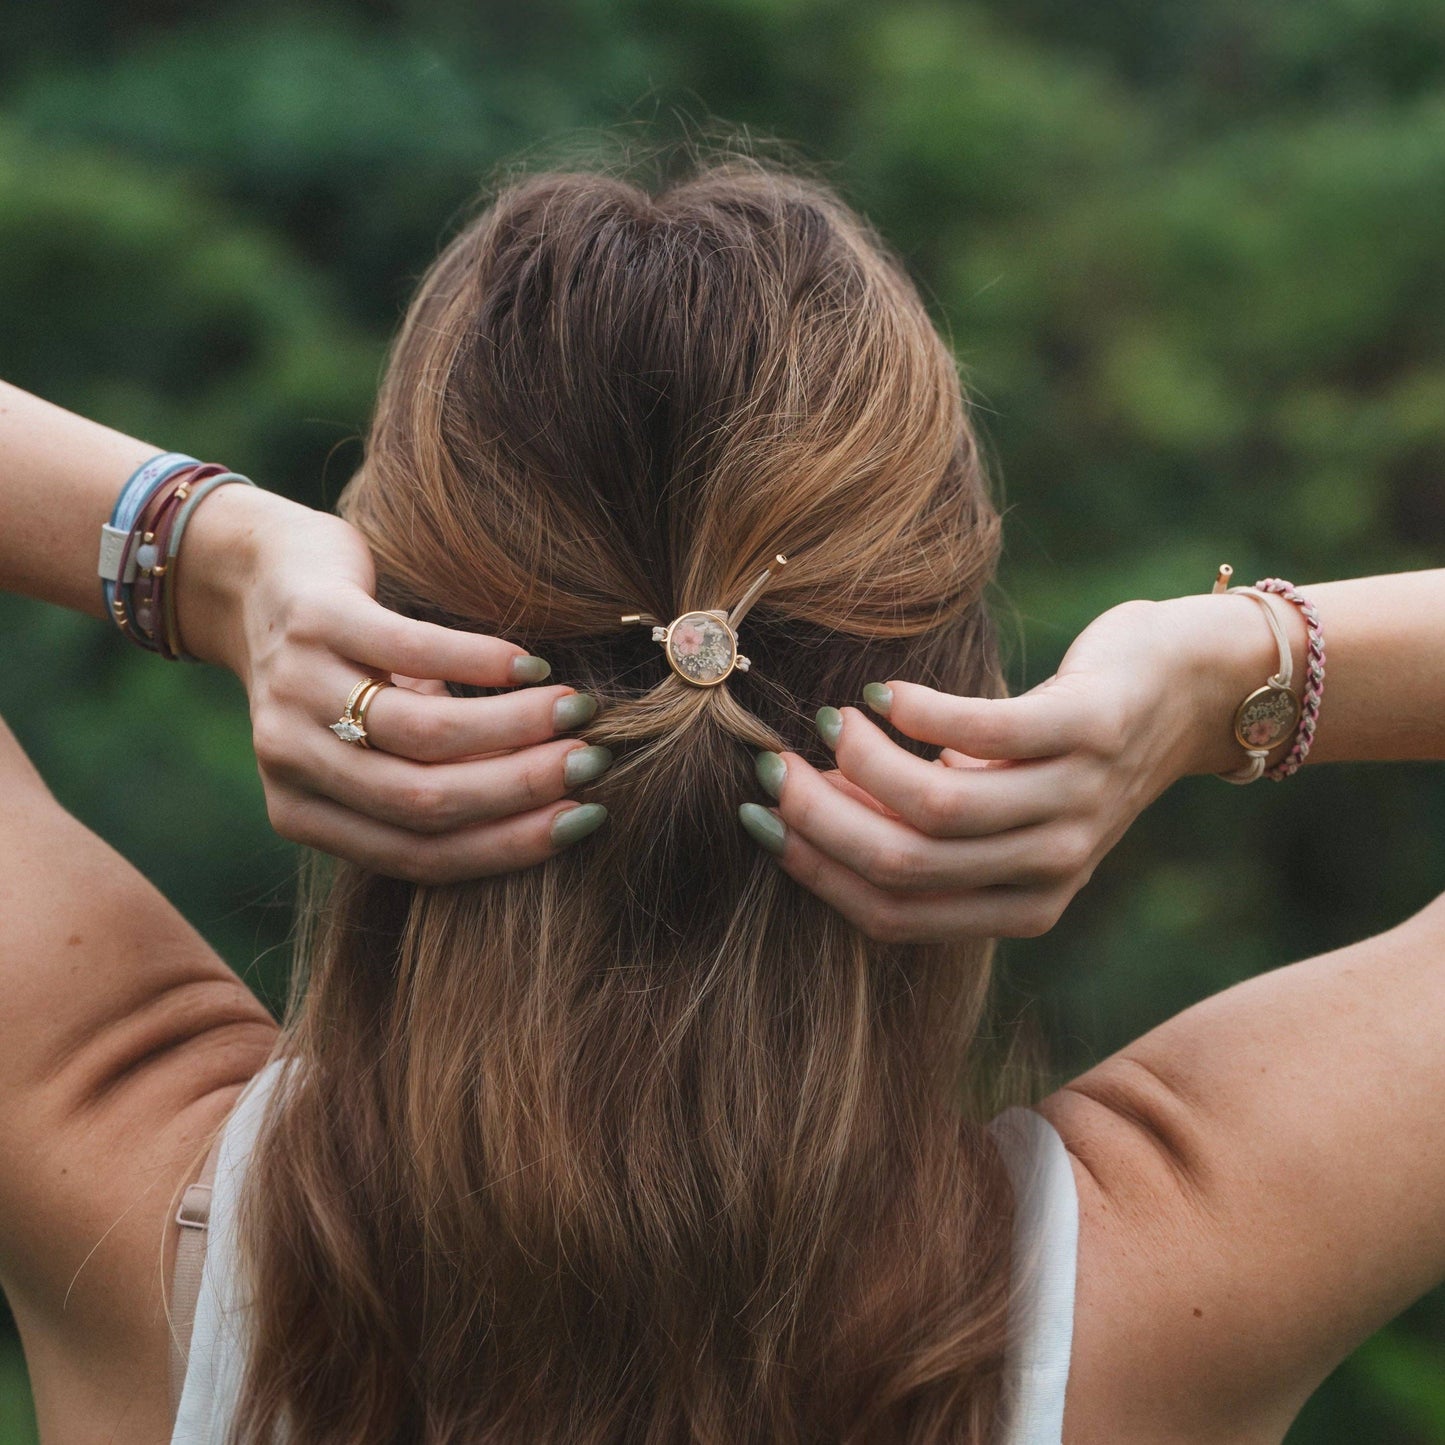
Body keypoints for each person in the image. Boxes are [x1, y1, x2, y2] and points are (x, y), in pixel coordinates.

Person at [0, 158, 1441, 1445]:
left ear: (379, 645)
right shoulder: (1179, 1269)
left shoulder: (122, 1192)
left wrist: (198, 548)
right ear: (954, 664)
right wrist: (1228, 671)